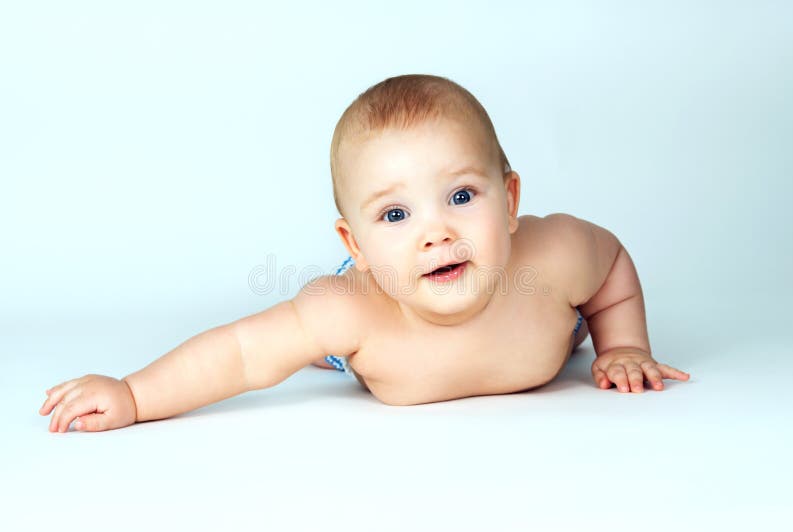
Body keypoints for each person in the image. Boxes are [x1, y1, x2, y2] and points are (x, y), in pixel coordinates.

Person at [39, 74, 690, 433]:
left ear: (511, 199)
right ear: (355, 243)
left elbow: (613, 269)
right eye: (396, 214)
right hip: (381, 303)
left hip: (534, 305)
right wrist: (132, 394)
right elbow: (239, 355)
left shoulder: (555, 256)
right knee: (299, 335)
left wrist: (621, 345)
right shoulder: (352, 309)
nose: (435, 234)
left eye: (462, 195)